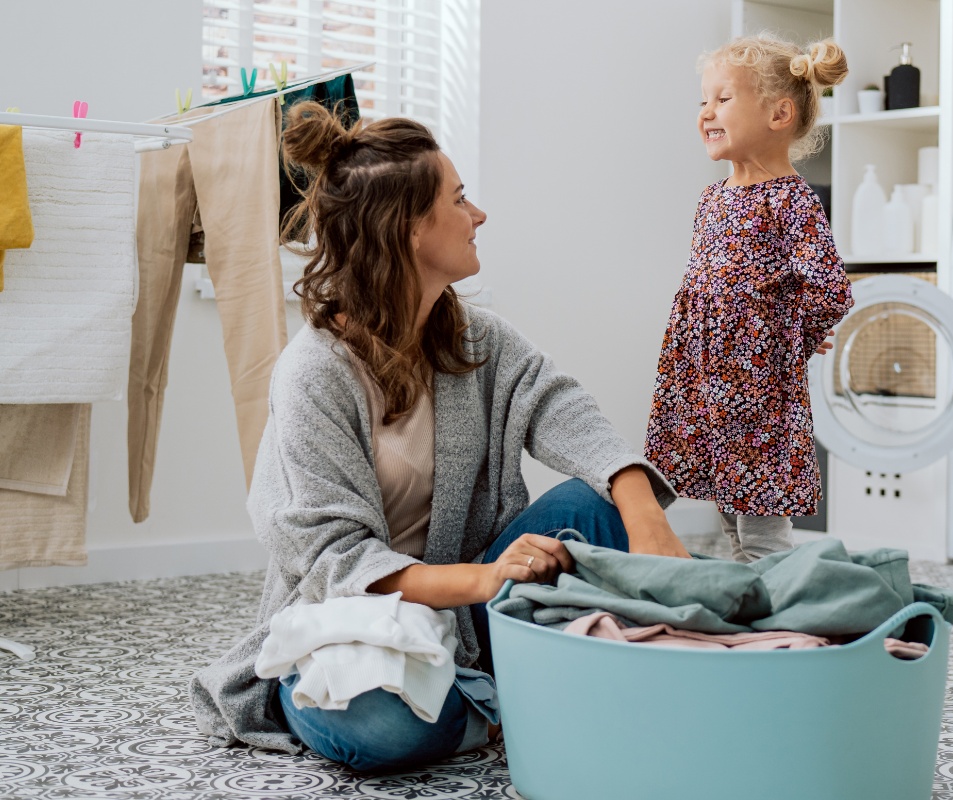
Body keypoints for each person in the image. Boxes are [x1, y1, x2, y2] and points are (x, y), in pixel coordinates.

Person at [190, 100, 690, 773]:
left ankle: (490, 696)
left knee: (603, 504)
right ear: (409, 230)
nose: (478, 214)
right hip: (351, 626)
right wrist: (488, 578)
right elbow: (337, 565)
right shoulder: (313, 374)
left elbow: (560, 406)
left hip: (467, 617)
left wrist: (641, 510)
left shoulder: (474, 339)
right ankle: (526, 693)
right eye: (459, 200)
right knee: (379, 727)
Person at [645, 35, 853, 564]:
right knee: (727, 499)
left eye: (723, 99)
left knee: (760, 513)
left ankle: (778, 600)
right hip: (705, 377)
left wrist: (788, 340)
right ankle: (749, 596)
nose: (707, 112)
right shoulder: (713, 197)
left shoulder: (791, 198)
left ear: (779, 114)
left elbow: (828, 287)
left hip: (757, 382)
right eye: (703, 101)